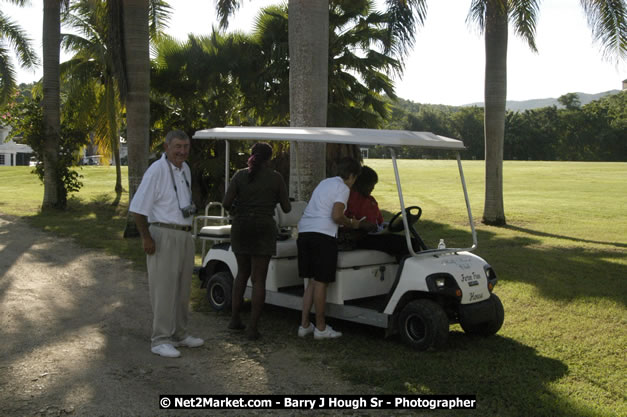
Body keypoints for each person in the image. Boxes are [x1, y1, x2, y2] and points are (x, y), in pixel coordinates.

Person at [129, 129, 204, 358]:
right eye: (177, 147)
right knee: (164, 289)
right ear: (167, 148)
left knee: (182, 289)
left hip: (184, 234)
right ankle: (160, 339)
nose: (182, 151)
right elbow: (138, 209)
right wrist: (146, 238)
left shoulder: (185, 170)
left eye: (185, 147)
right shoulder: (157, 171)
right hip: (163, 233)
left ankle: (179, 334)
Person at [222, 143, 291, 340]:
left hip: (241, 226)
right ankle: (253, 327)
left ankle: (234, 319)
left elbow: (226, 203)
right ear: (269, 159)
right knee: (258, 279)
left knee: (241, 274)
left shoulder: (239, 175)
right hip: (263, 228)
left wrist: (238, 211)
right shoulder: (275, 178)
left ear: (252, 156)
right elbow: (286, 208)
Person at [297, 157, 362, 340]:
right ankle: (320, 327)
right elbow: (336, 215)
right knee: (320, 282)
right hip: (322, 236)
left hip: (305, 233)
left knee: (310, 281)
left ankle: (304, 325)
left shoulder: (325, 182)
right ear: (351, 176)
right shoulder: (343, 188)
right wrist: (352, 223)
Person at [344, 165, 418, 259]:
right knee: (406, 245)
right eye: (371, 185)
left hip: (375, 235)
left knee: (412, 242)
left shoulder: (371, 201)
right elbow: (344, 221)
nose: (372, 188)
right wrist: (361, 225)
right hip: (359, 238)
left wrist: (388, 226)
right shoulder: (349, 198)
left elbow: (380, 222)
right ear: (361, 184)